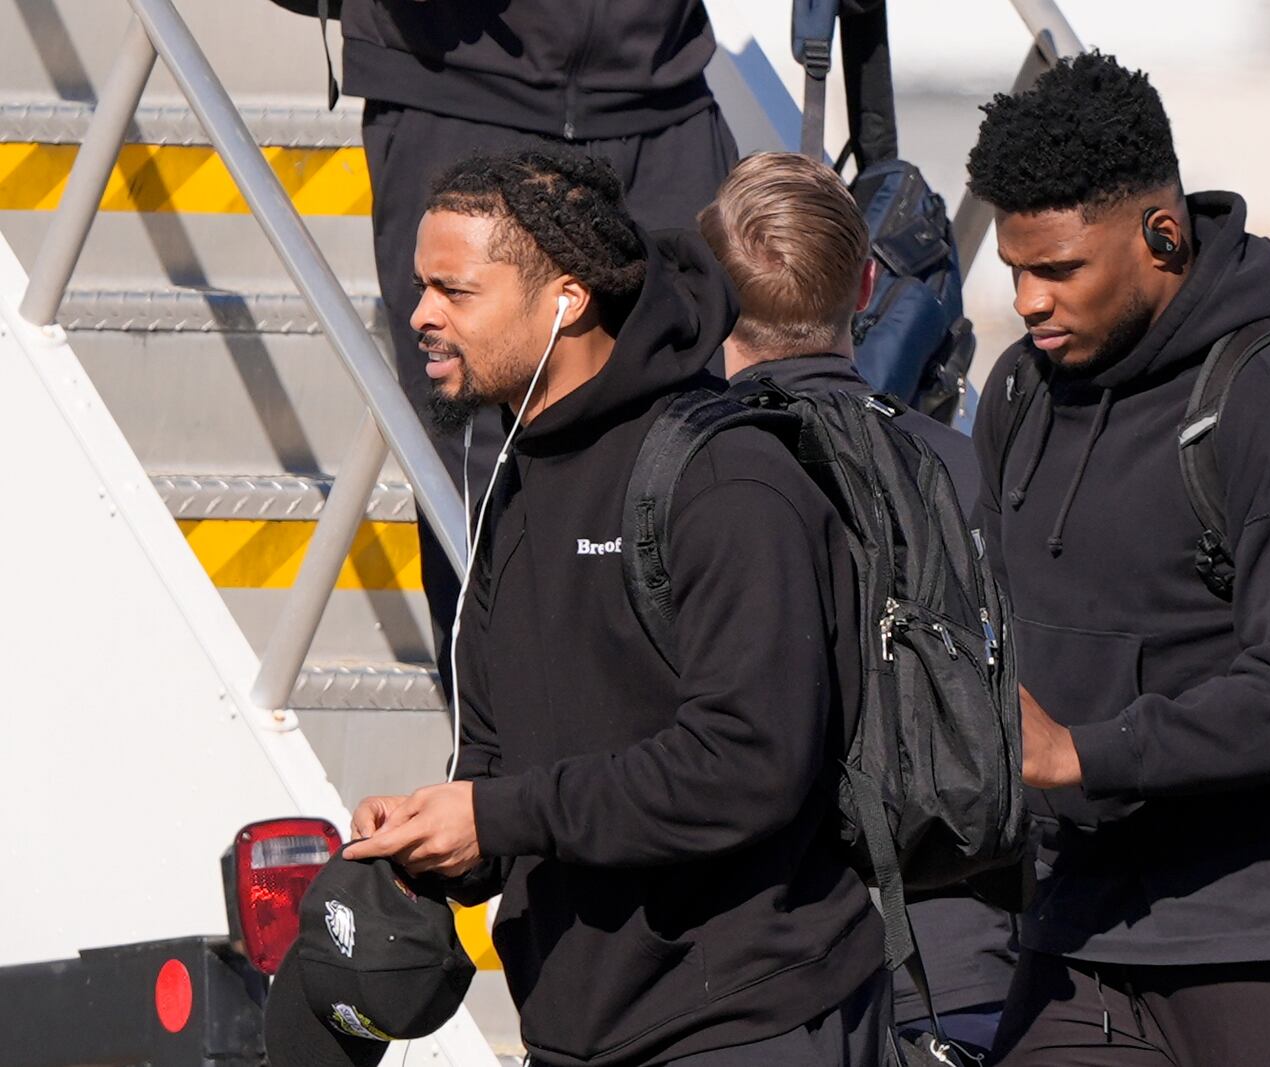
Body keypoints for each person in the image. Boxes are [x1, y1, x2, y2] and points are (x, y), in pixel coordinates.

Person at [341, 149, 886, 1067]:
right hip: (576, 1030)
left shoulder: (722, 475)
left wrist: (499, 815)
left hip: (747, 1021)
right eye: (420, 286)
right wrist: (448, 833)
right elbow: (508, 761)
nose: (422, 315)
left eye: (455, 290)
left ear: (566, 298)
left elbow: (746, 762)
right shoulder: (516, 477)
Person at [964, 53, 1270, 1065]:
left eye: (1058, 270)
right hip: (1083, 931)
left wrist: (1079, 754)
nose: (1028, 301)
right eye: (1013, 270)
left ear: (1162, 234)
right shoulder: (1019, 393)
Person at [698, 151, 1013, 1055]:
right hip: (959, 968)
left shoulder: (678, 481)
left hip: (755, 981)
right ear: (869, 280)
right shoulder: (969, 471)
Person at [340, 0, 740, 660]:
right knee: (477, 485)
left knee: (693, 457)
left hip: (662, 91)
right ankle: (495, 755)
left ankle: (655, 748)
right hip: (451, 80)